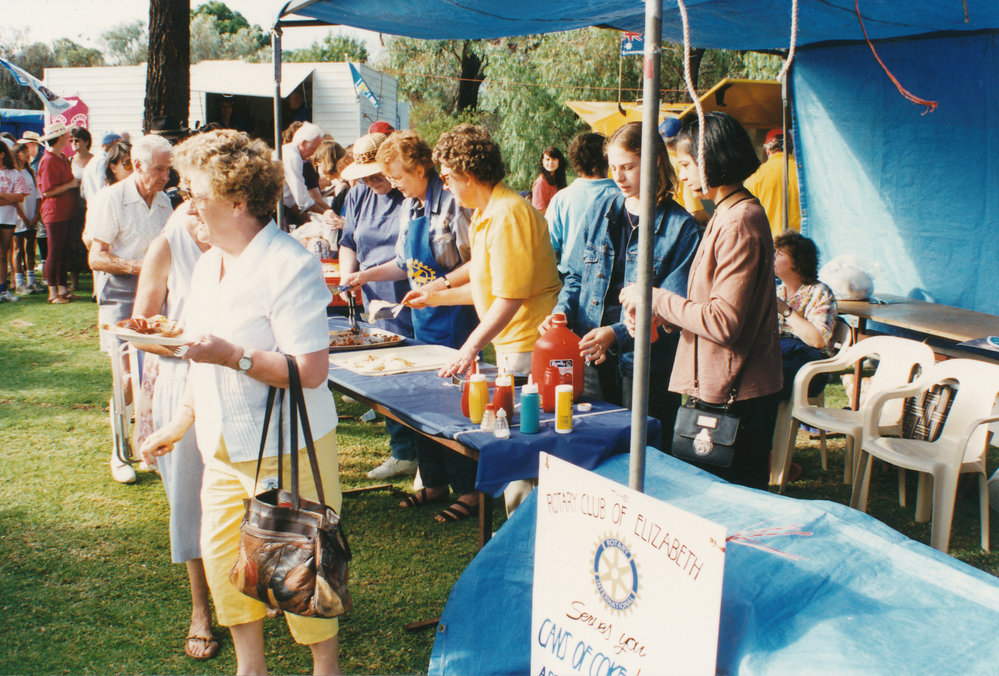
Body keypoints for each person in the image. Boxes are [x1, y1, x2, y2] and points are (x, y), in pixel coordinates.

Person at [140, 129, 342, 675]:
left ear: (235, 200)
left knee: (297, 569)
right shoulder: (208, 266)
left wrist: (234, 355)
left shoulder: (287, 264)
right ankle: (250, 668)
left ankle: (327, 668)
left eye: (194, 193)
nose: (186, 205)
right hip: (222, 449)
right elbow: (200, 364)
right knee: (226, 560)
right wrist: (178, 423)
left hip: (287, 448)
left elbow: (311, 371)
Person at [404, 123, 561, 513]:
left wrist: (469, 347)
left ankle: (524, 542)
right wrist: (435, 295)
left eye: (447, 176)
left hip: (529, 350)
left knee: (525, 458)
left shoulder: (509, 214)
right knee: (513, 453)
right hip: (512, 349)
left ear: (467, 176)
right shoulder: (487, 213)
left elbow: (510, 296)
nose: (446, 184)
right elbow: (482, 276)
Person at [620, 111, 782, 489]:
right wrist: (663, 318)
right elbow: (708, 303)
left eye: (688, 164)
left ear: (714, 159)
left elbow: (723, 322)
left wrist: (656, 300)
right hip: (717, 386)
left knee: (729, 509)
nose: (685, 174)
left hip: (737, 394)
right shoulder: (725, 214)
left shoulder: (740, 221)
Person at [345, 129, 480, 522]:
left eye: (399, 176)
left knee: (454, 405)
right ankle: (434, 481)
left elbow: (478, 264)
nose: (393, 184)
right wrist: (365, 276)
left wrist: (440, 286)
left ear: (422, 169)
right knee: (421, 400)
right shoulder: (412, 206)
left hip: (455, 317)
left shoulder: (455, 203)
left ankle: (470, 491)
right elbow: (405, 263)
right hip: (423, 318)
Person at [543, 122, 700, 436]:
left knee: (643, 451)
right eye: (613, 167)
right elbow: (574, 275)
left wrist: (615, 334)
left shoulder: (681, 229)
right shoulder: (599, 209)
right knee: (593, 442)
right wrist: (561, 312)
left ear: (654, 161)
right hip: (590, 353)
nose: (618, 176)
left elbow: (668, 308)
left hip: (646, 363)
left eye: (628, 167)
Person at [131, 204, 216, 660]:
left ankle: (252, 583)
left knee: (246, 489)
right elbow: (140, 328)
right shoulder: (168, 243)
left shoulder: (246, 236)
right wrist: (184, 341)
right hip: (181, 377)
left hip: (243, 378)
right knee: (189, 497)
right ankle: (200, 609)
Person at [89, 134, 174, 484]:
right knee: (125, 379)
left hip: (158, 293)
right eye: (159, 169)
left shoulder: (167, 200)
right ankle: (119, 453)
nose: (166, 176)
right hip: (120, 292)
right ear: (137, 166)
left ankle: (150, 447)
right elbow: (96, 257)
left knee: (157, 373)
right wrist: (142, 268)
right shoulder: (110, 198)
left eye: (169, 169)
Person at [338, 132, 419, 481]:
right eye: (366, 177)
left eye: (376, 175)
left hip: (409, 293)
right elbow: (348, 242)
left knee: (415, 376)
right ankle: (403, 451)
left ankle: (426, 455)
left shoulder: (407, 195)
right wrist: (348, 276)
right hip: (373, 297)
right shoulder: (358, 195)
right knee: (384, 377)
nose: (372, 182)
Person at [544, 131, 620, 275]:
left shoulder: (561, 199)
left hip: (571, 280)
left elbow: (548, 248)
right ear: (608, 159)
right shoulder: (622, 197)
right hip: (612, 281)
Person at [774, 231, 837, 399]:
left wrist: (785, 310)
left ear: (798, 260)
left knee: (765, 376)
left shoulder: (820, 292)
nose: (772, 257)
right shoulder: (778, 290)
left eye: (779, 254)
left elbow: (818, 340)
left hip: (807, 362)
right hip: (778, 353)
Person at [36, 121, 78, 304]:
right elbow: (47, 191)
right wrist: (70, 185)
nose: (68, 139)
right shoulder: (49, 160)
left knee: (63, 250)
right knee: (54, 251)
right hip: (54, 212)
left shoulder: (59, 158)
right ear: (60, 138)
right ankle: (53, 292)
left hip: (65, 210)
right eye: (66, 136)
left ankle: (62, 288)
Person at [744, 128, 801, 236]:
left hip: (770, 245)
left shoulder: (755, 178)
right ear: (791, 148)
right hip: (799, 243)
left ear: (767, 150)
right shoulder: (803, 175)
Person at [282, 122, 337, 226]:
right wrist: (325, 213)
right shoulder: (293, 157)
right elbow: (302, 200)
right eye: (313, 149)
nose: (313, 153)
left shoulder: (287, 150)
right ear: (303, 143)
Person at [660, 117, 709, 228]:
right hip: (677, 224)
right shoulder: (683, 164)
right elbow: (694, 212)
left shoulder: (653, 160)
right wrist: (708, 218)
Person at [0, 140, 29, 302]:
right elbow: (15, 197)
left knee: (3, 254)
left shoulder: (14, 174)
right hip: (7, 215)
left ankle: (3, 289)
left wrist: (3, 195)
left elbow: (20, 196)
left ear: (2, 155)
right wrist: (9, 198)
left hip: (7, 219)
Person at [12, 142, 42, 295]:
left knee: (30, 248)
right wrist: (23, 217)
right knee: (18, 250)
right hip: (19, 218)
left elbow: (37, 194)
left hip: (31, 215)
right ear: (17, 154)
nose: (27, 154)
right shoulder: (13, 173)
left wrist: (35, 215)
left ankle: (32, 280)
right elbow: (15, 199)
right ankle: (19, 282)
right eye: (23, 151)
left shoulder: (30, 172)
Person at [530, 145, 567, 215]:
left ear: (559, 161)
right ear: (542, 162)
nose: (551, 163)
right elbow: (539, 211)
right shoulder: (540, 183)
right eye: (547, 159)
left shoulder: (558, 178)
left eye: (554, 159)